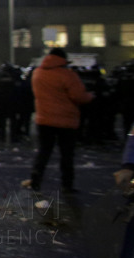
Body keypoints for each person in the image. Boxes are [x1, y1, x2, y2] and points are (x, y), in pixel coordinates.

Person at [28, 48, 94, 193]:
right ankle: (67, 183)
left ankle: (36, 178)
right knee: (67, 154)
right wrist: (90, 96)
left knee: (44, 151)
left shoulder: (37, 73)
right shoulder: (67, 75)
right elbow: (79, 96)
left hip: (44, 119)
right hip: (66, 120)